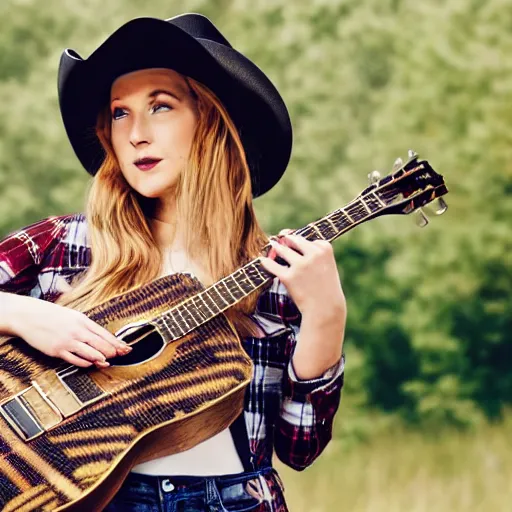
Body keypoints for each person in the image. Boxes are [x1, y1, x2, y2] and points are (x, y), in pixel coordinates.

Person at [0, 13, 346, 512]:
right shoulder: (62, 243)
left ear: (210, 121)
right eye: (120, 113)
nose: (136, 133)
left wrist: (326, 317)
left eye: (160, 106)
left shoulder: (278, 273)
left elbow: (299, 448)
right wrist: (25, 315)